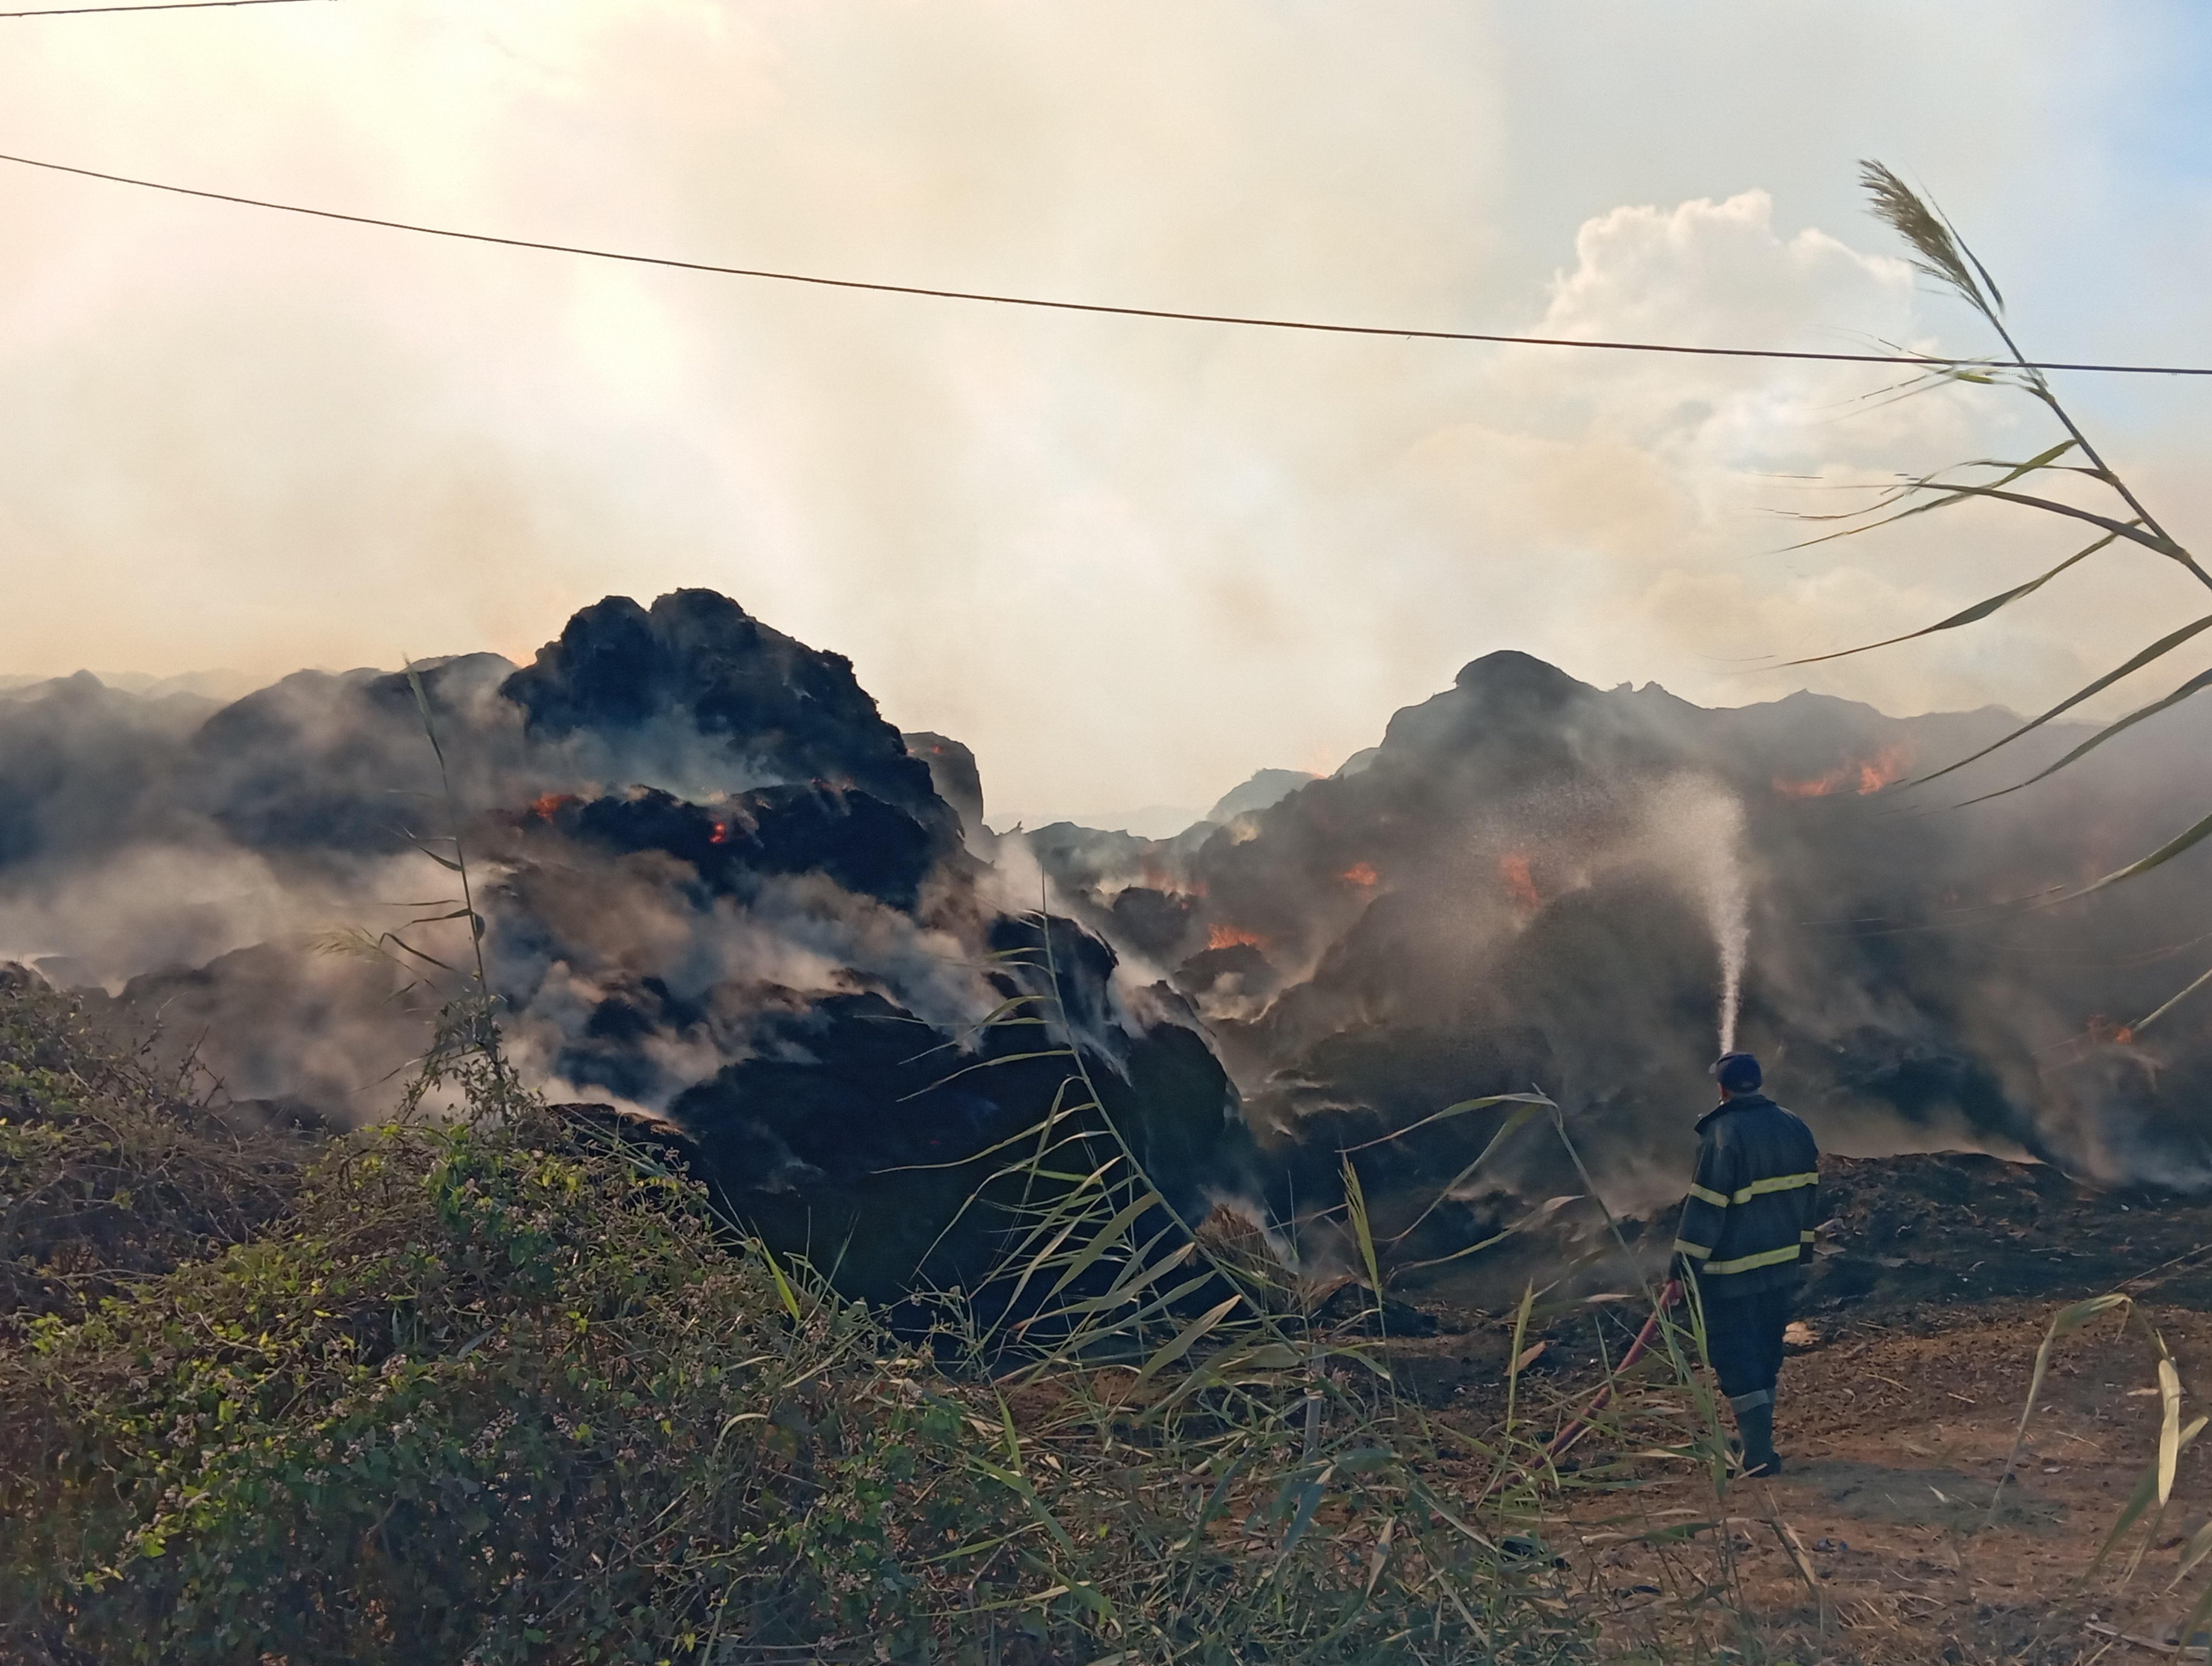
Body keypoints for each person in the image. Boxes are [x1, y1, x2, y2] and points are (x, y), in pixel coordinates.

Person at [1671, 1051, 1820, 1476]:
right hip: (1780, 1269)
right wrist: (1800, 1254)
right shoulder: (1795, 1126)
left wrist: (1682, 1269)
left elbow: (1705, 1209)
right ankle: (1760, 1443)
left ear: (1722, 1089)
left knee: (1737, 1358)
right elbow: (1809, 1195)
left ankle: (1756, 1454)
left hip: (1732, 1276)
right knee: (1765, 1351)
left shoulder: (1721, 1135)